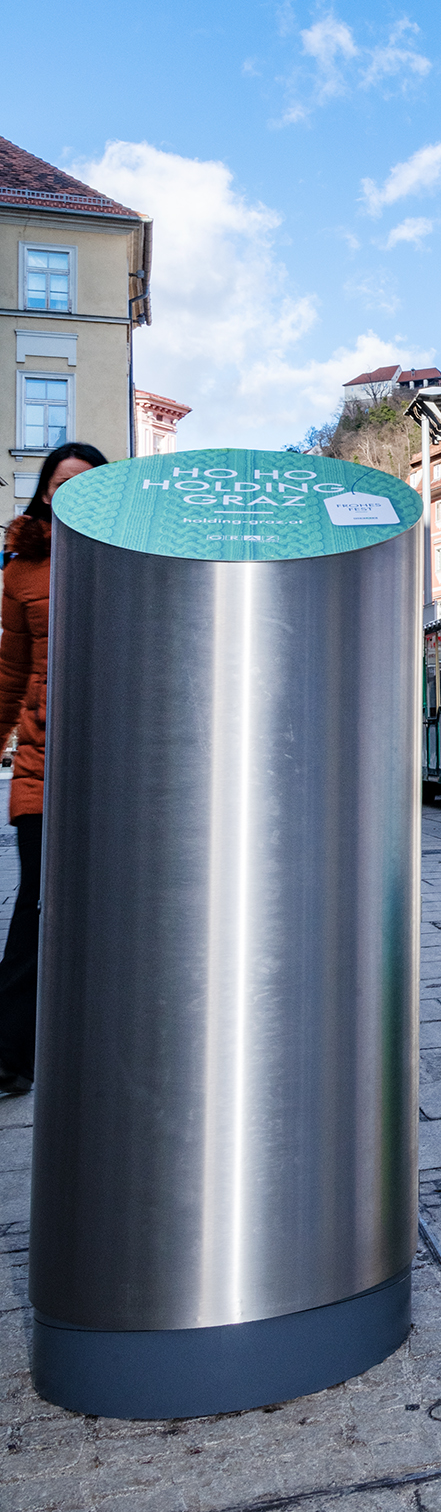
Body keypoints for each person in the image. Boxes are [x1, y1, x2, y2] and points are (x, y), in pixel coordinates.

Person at [0, 439, 106, 1096]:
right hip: (43, 761)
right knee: (38, 906)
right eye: (60, 483)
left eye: (86, 484)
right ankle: (10, 1053)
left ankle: (103, 1040)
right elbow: (9, 671)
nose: (70, 493)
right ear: (45, 492)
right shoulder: (23, 571)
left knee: (117, 908)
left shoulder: (127, 555)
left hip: (116, 762)